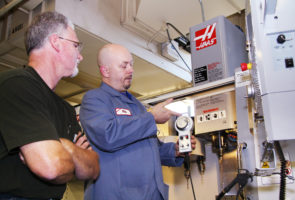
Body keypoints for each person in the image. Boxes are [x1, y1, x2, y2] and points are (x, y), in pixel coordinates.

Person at [0, 11, 100, 200]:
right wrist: (74, 155)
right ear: (56, 42)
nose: (80, 57)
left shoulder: (67, 110)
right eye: (76, 45)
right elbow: (52, 166)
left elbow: (93, 167)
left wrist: (66, 147)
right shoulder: (16, 85)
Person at [80, 43, 196, 200]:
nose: (131, 70)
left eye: (131, 64)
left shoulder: (136, 105)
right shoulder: (95, 99)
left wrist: (174, 151)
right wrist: (151, 117)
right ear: (105, 70)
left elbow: (150, 148)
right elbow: (108, 135)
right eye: (124, 66)